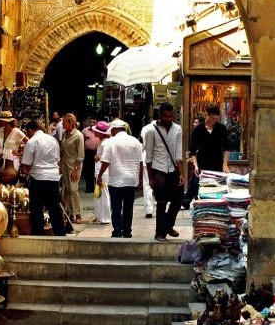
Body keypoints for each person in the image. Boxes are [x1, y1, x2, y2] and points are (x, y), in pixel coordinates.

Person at [142, 102, 184, 241]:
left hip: (172, 169)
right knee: (161, 202)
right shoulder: (151, 131)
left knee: (178, 200)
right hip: (158, 170)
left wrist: (181, 173)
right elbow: (148, 157)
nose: (168, 119)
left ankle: (168, 226)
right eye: (166, 116)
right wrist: (150, 178)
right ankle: (160, 233)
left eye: (171, 116)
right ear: (160, 115)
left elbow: (178, 154)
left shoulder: (177, 129)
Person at [20, 119, 67, 236]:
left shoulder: (32, 142)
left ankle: (38, 233)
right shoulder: (53, 140)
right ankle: (60, 232)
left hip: (38, 177)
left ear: (30, 130)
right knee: (55, 206)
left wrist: (29, 173)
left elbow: (26, 163)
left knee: (37, 207)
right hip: (53, 177)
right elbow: (57, 159)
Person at [97, 119, 142, 238]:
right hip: (131, 180)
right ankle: (127, 231)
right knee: (128, 207)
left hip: (116, 180)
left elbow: (106, 161)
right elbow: (140, 162)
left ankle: (117, 230)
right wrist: (139, 179)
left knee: (116, 206)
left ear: (115, 129)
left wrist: (100, 175)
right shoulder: (135, 141)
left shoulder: (111, 142)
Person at [185, 105, 230, 207]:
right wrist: (196, 165)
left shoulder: (221, 128)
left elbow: (226, 148)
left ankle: (214, 205)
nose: (214, 120)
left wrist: (225, 164)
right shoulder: (198, 130)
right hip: (202, 162)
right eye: (213, 118)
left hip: (217, 163)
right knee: (198, 183)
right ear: (207, 115)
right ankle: (196, 203)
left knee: (216, 186)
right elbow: (193, 151)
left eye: (216, 119)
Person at [59, 113, 85, 226]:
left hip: (74, 165)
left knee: (73, 189)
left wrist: (75, 169)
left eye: (64, 122)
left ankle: (78, 213)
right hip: (64, 164)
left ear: (71, 123)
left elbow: (80, 155)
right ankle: (70, 213)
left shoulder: (78, 136)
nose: (62, 124)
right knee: (67, 189)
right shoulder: (64, 133)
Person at [91, 120, 112, 225]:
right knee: (99, 194)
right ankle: (100, 216)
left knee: (103, 194)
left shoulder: (105, 143)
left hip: (103, 173)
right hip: (101, 172)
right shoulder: (103, 142)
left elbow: (104, 160)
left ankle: (105, 217)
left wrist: (99, 175)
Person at [81, 116, 101, 193]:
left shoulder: (99, 131)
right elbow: (81, 142)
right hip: (88, 153)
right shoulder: (85, 131)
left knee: (97, 170)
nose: (92, 124)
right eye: (91, 122)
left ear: (97, 122)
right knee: (88, 170)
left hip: (98, 152)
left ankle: (98, 187)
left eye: (94, 122)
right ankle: (89, 187)